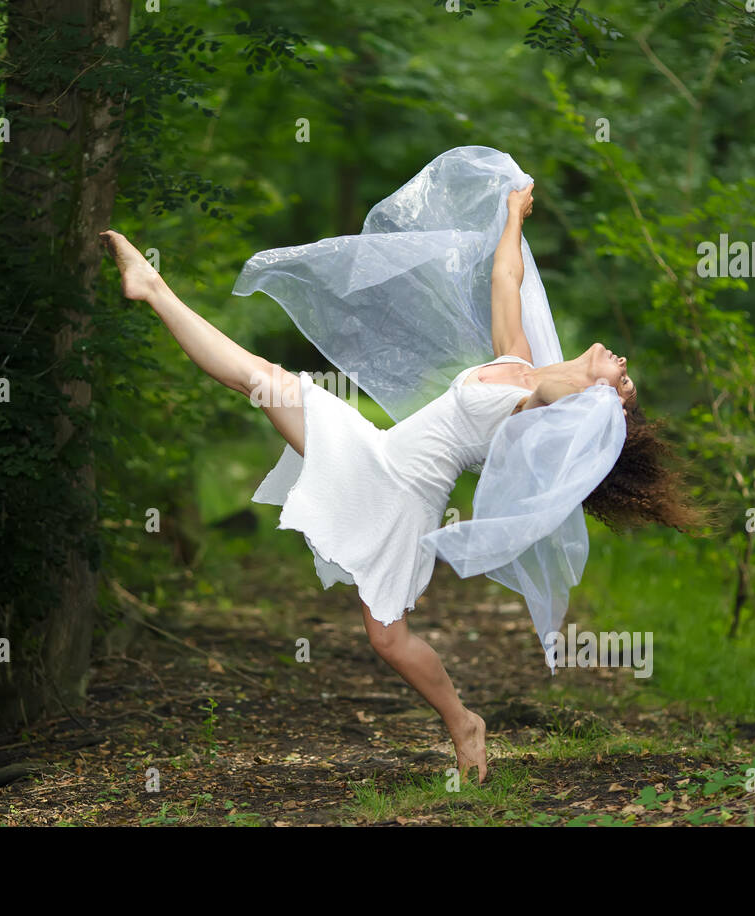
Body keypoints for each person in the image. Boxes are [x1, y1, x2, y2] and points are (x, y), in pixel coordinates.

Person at [100, 173, 706, 785]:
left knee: (388, 640)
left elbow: (553, 390)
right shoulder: (518, 366)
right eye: (625, 375)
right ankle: (152, 288)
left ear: (596, 405)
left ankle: (464, 722)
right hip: (376, 452)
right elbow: (507, 280)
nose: (623, 366)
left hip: (403, 498)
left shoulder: (541, 407)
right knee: (261, 378)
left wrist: (589, 394)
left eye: (624, 385)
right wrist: (514, 213)